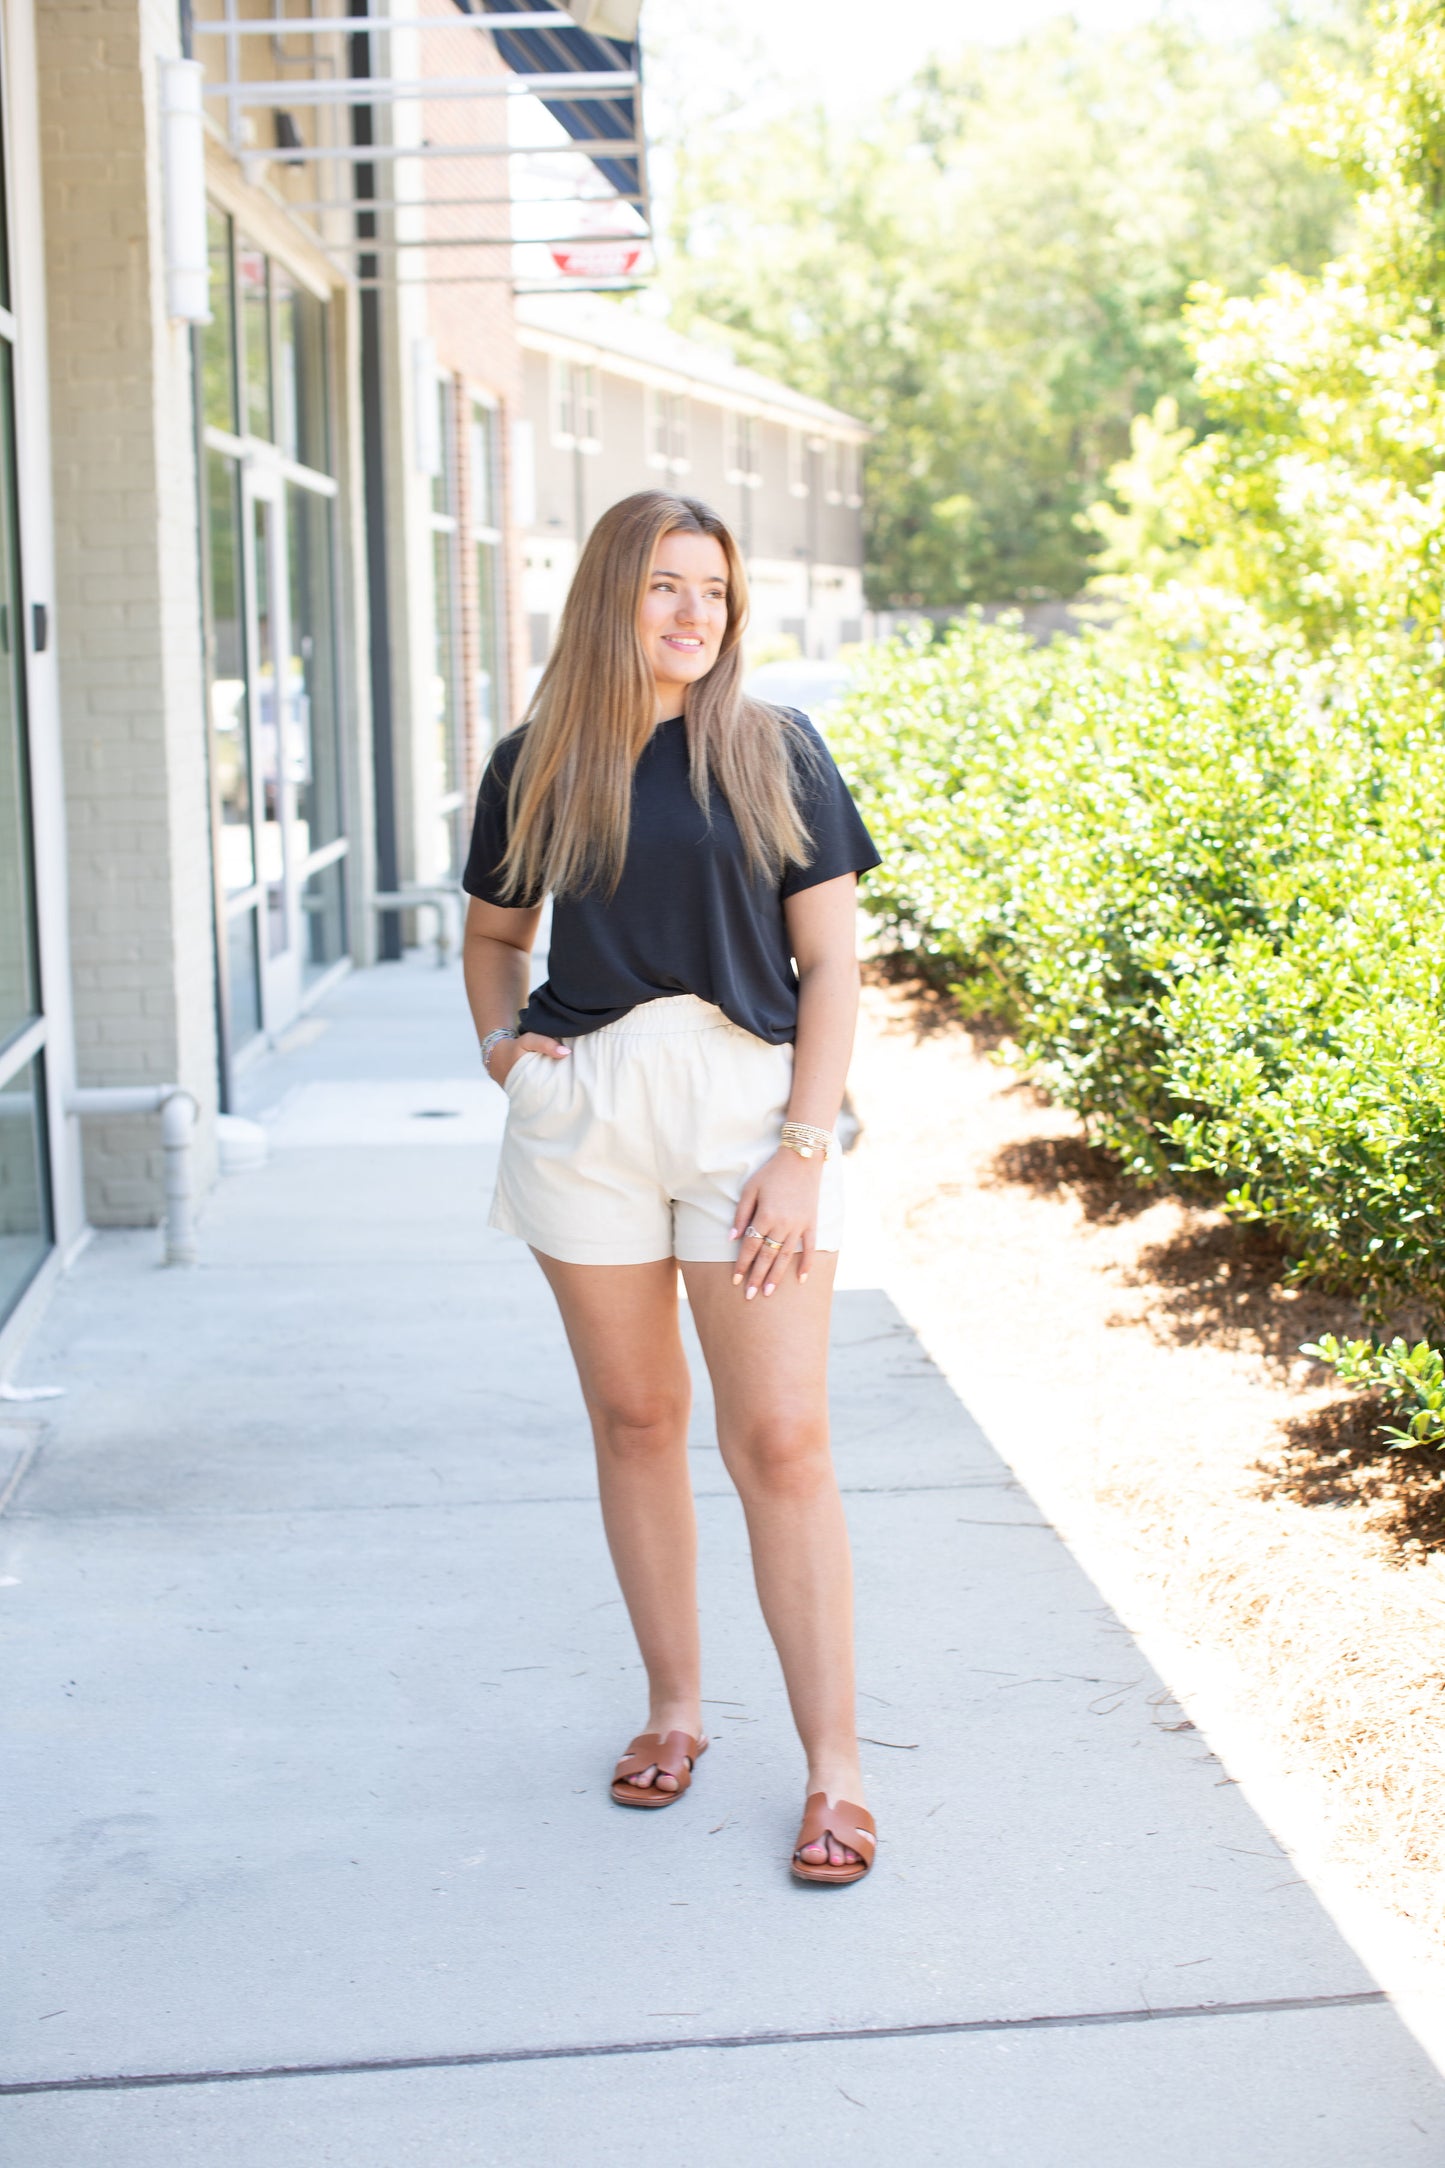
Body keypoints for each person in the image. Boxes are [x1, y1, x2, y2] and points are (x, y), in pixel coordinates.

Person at [461, 489, 882, 1885]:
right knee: (636, 1418)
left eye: (712, 588)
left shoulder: (773, 752)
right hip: (586, 1114)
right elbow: (493, 938)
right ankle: (674, 1711)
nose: (693, 612)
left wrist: (803, 1152)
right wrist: (507, 1059)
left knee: (779, 1442)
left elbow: (831, 966)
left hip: (743, 1120)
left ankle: (834, 1770)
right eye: (662, 586)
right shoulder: (536, 762)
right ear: (607, 600)